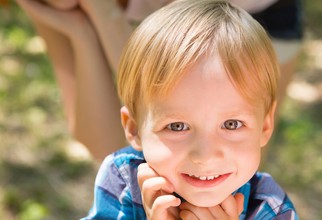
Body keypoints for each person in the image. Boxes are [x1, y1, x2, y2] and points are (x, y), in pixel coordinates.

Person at [61, 0, 302, 220]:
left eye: (231, 124)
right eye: (177, 126)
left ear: (265, 126)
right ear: (134, 129)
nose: (205, 155)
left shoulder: (270, 213)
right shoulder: (122, 179)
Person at [16, 0, 303, 161]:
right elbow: (104, 146)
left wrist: (104, 13)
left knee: (230, 170)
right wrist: (79, 32)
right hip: (133, 25)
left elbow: (173, 91)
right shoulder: (64, 5)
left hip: (252, 22)